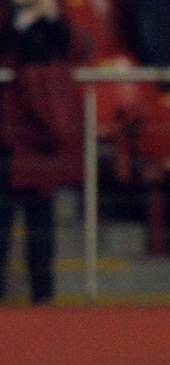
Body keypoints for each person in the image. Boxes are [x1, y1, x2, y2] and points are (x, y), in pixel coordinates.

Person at [0, 0, 82, 304]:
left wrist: (51, 18)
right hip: (9, 136)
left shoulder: (55, 18)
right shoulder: (7, 17)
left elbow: (72, 51)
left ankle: (43, 296)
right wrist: (22, 23)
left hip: (40, 138)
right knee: (3, 225)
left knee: (41, 226)